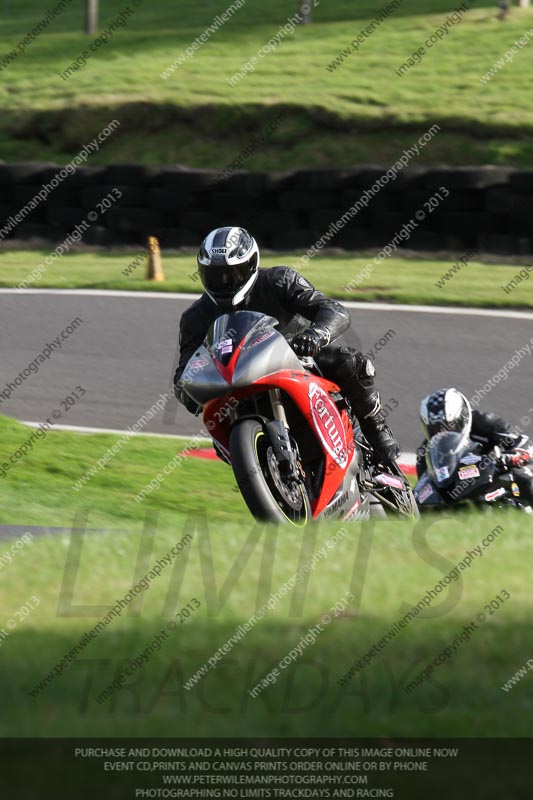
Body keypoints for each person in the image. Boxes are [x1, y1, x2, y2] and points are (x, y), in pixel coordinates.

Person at [174, 226, 400, 464]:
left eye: (233, 274)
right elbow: (183, 373)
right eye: (215, 276)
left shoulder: (279, 280)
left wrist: (316, 335)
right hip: (238, 386)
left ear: (251, 264)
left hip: (298, 362)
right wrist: (190, 391)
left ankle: (377, 430)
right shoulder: (195, 317)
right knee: (219, 428)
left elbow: (333, 309)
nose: (224, 283)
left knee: (349, 362)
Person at [416, 387, 533, 504]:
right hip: (459, 490)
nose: (443, 433)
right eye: (435, 429)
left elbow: (524, 444)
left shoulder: (486, 422)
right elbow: (423, 483)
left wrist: (512, 457)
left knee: (523, 475)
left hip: (496, 475)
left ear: (462, 418)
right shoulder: (425, 452)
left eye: (449, 426)